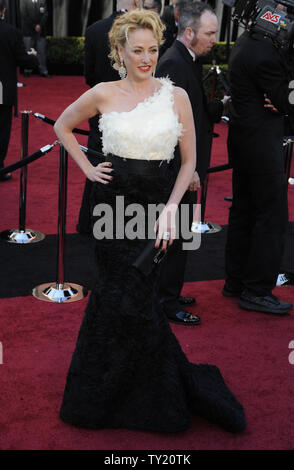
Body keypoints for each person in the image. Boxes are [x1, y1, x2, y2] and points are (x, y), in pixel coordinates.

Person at [54, 9, 246, 434]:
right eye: (136, 50)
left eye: (152, 50)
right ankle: (102, 392)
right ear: (118, 51)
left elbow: (190, 161)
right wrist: (88, 169)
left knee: (141, 299)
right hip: (113, 207)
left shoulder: (174, 95)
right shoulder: (103, 92)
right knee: (111, 297)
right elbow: (63, 126)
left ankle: (150, 390)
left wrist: (171, 212)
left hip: (156, 210)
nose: (145, 58)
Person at [155, 1, 225, 325]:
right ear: (189, 32)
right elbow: (170, 126)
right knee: (174, 236)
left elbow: (194, 113)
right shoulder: (175, 64)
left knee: (181, 235)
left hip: (186, 167)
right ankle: (166, 302)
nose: (215, 39)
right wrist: (190, 167)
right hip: (178, 170)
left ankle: (170, 292)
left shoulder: (188, 60)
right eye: (210, 33)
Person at [223, 11, 294, 315]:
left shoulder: (245, 42)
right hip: (262, 146)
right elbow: (286, 99)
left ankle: (236, 281)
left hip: (242, 140)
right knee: (271, 216)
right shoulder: (267, 55)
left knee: (244, 210)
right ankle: (257, 290)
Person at [77, 0, 142, 234]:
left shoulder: (94, 30)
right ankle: (123, 222)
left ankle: (90, 222)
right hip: (134, 113)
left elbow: (88, 76)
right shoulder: (145, 31)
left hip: (101, 112)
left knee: (98, 161)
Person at [0, 0, 38, 181]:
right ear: (4, 10)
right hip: (2, 90)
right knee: (1, 130)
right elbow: (24, 61)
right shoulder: (11, 33)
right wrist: (34, 58)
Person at [21, 0, 50, 78]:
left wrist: (40, 25)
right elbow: (24, 15)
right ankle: (27, 70)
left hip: (41, 31)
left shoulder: (43, 1)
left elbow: (45, 14)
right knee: (28, 51)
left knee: (42, 52)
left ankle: (43, 71)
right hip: (28, 31)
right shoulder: (24, 1)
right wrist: (34, 26)